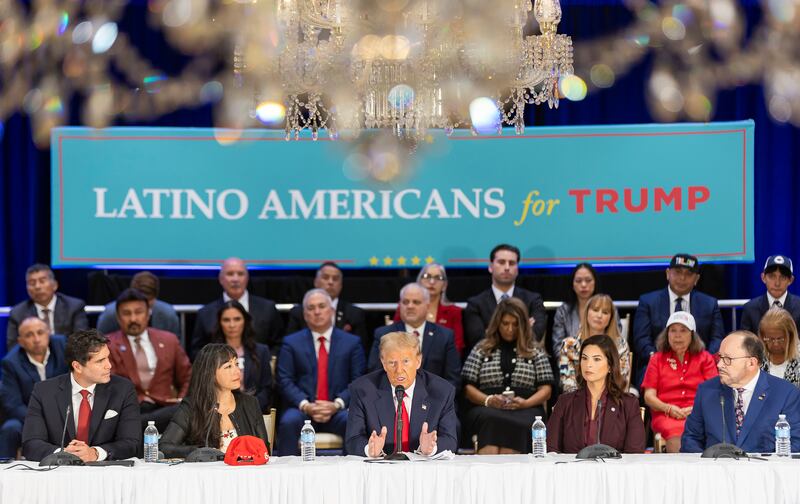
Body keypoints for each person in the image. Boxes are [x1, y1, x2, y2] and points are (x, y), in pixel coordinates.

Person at [22, 329, 141, 462]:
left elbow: (132, 442)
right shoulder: (44, 392)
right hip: (59, 471)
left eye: (108, 357)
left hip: (105, 471)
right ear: (77, 366)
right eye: (100, 361)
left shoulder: (123, 389)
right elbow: (30, 444)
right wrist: (63, 454)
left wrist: (95, 453)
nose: (109, 365)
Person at [276, 289, 365, 455]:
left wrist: (337, 404)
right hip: (302, 409)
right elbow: (284, 380)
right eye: (311, 308)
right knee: (288, 421)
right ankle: (286, 469)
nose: (317, 312)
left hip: (339, 409)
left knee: (352, 421)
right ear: (305, 315)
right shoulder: (291, 343)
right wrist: (306, 405)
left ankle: (354, 469)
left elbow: (358, 380)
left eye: (322, 306)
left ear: (332, 311)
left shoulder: (352, 342)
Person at [681, 331, 800, 453]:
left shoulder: (785, 394)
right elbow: (690, 439)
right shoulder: (706, 391)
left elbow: (795, 444)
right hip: (716, 464)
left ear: (751, 363)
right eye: (720, 357)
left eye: (727, 359)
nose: (719, 365)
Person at [461, 298, 554, 454]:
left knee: (519, 423)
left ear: (523, 325)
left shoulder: (534, 350)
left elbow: (546, 390)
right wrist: (488, 400)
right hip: (487, 407)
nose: (510, 329)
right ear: (497, 323)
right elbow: (467, 387)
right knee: (490, 419)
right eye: (505, 323)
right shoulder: (482, 348)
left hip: (527, 408)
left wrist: (526, 403)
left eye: (515, 324)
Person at [346, 331, 459, 457]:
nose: (399, 370)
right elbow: (353, 439)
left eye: (405, 361)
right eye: (392, 363)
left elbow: (450, 439)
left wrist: (432, 448)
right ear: (383, 363)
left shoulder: (441, 391)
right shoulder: (363, 390)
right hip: (381, 466)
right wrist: (369, 449)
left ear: (418, 361)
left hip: (423, 466)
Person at [160, 344, 269, 458]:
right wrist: (199, 451)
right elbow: (164, 447)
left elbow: (264, 449)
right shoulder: (191, 406)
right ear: (209, 373)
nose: (237, 371)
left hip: (245, 468)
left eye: (236, 364)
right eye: (228, 366)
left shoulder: (250, 403)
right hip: (207, 469)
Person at [106, 289, 192, 432]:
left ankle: (138, 426)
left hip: (165, 407)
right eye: (126, 313)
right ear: (118, 317)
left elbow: (188, 376)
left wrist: (182, 400)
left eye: (138, 312)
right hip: (130, 410)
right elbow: (108, 385)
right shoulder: (107, 345)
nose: (133, 319)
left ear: (148, 314)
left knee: (183, 410)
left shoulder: (169, 340)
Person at [633, 253, 724, 387]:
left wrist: (704, 361)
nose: (682, 278)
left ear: (696, 279)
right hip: (658, 364)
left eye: (688, 274)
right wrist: (658, 360)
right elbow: (641, 339)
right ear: (667, 273)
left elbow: (717, 338)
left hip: (699, 365)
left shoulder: (709, 304)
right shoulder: (648, 302)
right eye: (678, 272)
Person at [546, 335, 646, 454]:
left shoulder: (629, 405)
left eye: (596, 359)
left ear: (610, 366)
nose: (588, 364)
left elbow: (634, 454)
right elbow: (551, 450)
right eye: (584, 358)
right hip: (571, 466)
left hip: (614, 466)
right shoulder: (565, 402)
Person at [642, 311, 718, 452]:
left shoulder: (705, 358)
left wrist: (694, 409)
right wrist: (668, 408)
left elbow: (713, 393)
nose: (677, 335)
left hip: (698, 413)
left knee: (708, 428)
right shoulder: (657, 359)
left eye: (683, 330)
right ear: (667, 334)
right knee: (675, 431)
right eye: (673, 330)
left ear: (692, 334)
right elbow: (649, 396)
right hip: (666, 414)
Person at [370, 283, 461, 390]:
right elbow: (375, 376)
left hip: (435, 397)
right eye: (405, 302)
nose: (410, 306)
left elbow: (453, 379)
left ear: (427, 306)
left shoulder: (445, 336)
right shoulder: (383, 334)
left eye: (416, 302)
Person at [0, 318, 69, 458]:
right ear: (20, 341)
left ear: (48, 333)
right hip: (29, 417)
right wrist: (40, 420)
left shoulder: (63, 347)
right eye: (29, 335)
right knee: (10, 428)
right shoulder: (11, 363)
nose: (36, 339)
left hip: (65, 413)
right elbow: (13, 404)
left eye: (40, 332)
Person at [463, 244, 547, 355]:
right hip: (488, 361)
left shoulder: (533, 300)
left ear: (517, 268)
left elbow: (536, 335)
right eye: (501, 262)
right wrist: (523, 328)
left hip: (525, 359)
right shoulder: (475, 304)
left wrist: (491, 331)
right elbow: (477, 340)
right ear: (490, 267)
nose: (507, 267)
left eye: (512, 263)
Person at [191, 257, 284, 357]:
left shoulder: (267, 308)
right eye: (230, 274)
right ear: (221, 279)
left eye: (240, 274)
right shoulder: (205, 313)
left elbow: (279, 344)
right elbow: (197, 351)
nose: (235, 279)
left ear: (247, 278)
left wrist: (264, 362)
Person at [286, 262, 368, 354]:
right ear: (316, 282)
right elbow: (290, 347)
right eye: (325, 277)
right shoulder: (299, 312)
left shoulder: (354, 314)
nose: (330, 282)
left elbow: (360, 351)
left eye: (335, 279)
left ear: (341, 285)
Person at [6, 264, 88, 350]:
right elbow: (13, 348)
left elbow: (81, 342)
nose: (37, 286)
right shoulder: (18, 313)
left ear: (55, 285)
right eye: (32, 283)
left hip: (66, 356)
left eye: (42, 281)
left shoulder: (73, 307)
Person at [559, 294, 631, 393]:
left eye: (605, 312)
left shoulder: (620, 345)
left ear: (611, 318)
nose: (599, 315)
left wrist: (601, 398)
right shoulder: (569, 345)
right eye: (595, 310)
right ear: (587, 312)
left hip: (611, 397)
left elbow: (621, 380)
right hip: (577, 398)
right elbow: (568, 382)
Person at [210, 300, 273, 412]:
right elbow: (206, 388)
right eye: (226, 320)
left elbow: (267, 389)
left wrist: (250, 408)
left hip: (254, 411)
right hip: (220, 412)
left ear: (245, 321)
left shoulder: (261, 351)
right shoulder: (210, 353)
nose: (232, 325)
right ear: (219, 323)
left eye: (237, 319)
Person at [392, 263, 464, 355]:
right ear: (419, 281)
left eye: (438, 277)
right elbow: (394, 338)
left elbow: (457, 346)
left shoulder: (453, 312)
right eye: (427, 276)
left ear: (444, 285)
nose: (432, 281)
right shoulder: (406, 307)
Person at [551, 263, 621, 357]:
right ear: (572, 284)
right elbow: (558, 348)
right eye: (578, 281)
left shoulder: (609, 306)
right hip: (572, 361)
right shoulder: (563, 311)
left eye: (588, 280)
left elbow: (616, 338)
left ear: (595, 282)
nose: (583, 285)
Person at [97, 271, 180, 337]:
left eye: (148, 302)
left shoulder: (168, 315)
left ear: (155, 298)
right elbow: (100, 346)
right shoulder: (110, 314)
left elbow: (176, 347)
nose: (133, 319)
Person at [741, 255, 800, 333]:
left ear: (791, 280)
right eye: (772, 277)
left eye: (783, 277)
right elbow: (746, 339)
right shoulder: (750, 309)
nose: (777, 283)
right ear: (763, 278)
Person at [757, 307, 800, 387]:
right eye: (770, 339)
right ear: (762, 337)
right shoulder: (755, 359)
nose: (776, 344)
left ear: (791, 336)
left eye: (780, 339)